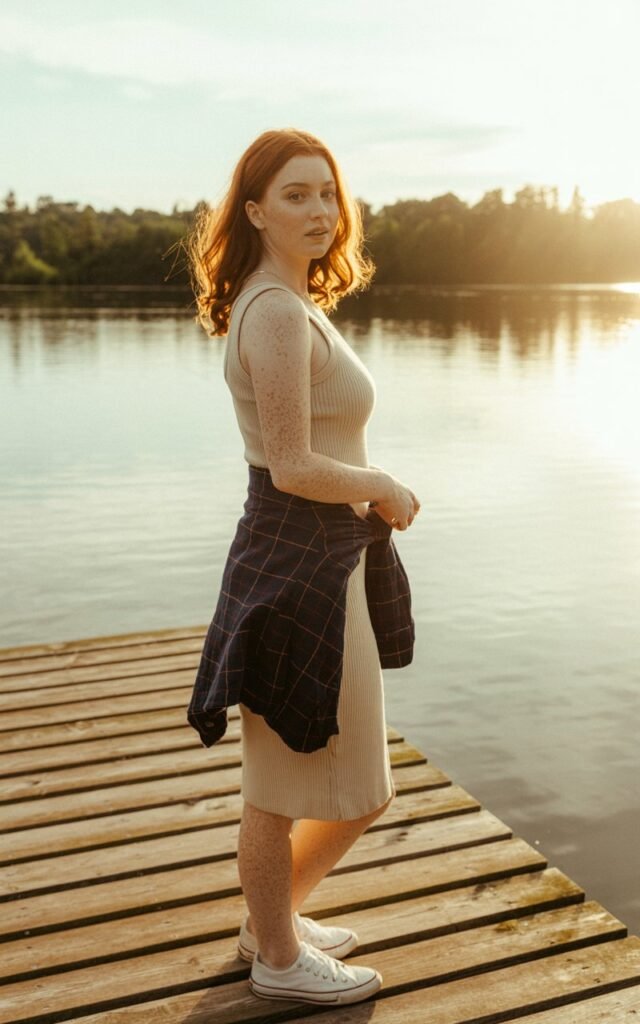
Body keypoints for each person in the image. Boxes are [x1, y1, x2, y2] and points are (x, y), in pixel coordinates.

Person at [183, 127, 420, 1006]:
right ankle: (279, 959)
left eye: (327, 192)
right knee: (291, 784)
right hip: (299, 562)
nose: (320, 210)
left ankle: (272, 923)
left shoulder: (286, 300)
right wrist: (381, 484)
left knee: (350, 781)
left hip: (322, 559)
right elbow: (289, 463)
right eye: (295, 195)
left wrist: (362, 498)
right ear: (253, 211)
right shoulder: (276, 312)